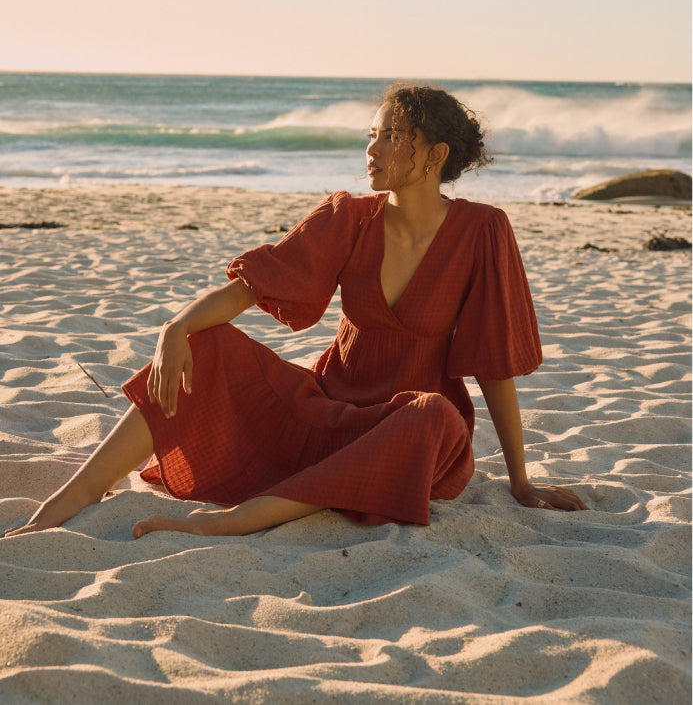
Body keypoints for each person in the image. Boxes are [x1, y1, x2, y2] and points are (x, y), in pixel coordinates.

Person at [3, 84, 587, 539]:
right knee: (206, 342)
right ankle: (75, 496)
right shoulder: (348, 217)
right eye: (373, 134)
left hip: (414, 435)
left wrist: (519, 480)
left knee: (435, 412)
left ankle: (240, 520)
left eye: (391, 136)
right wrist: (175, 327)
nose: (372, 149)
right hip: (326, 417)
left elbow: (492, 365)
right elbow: (244, 293)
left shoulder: (483, 231)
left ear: (435, 154)